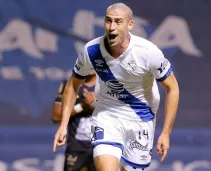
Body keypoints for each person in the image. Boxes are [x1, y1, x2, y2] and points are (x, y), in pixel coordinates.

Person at [53, 2, 179, 171]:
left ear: (130, 24)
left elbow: (172, 88)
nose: (112, 27)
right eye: (108, 21)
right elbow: (72, 85)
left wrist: (165, 133)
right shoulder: (91, 51)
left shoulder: (148, 52)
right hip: (107, 115)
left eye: (118, 21)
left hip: (140, 119)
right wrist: (63, 126)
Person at [52, 72, 97, 171]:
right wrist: (81, 106)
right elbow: (56, 116)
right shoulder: (71, 84)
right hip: (76, 148)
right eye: (87, 57)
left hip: (102, 147)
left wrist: (96, 105)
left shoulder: (109, 84)